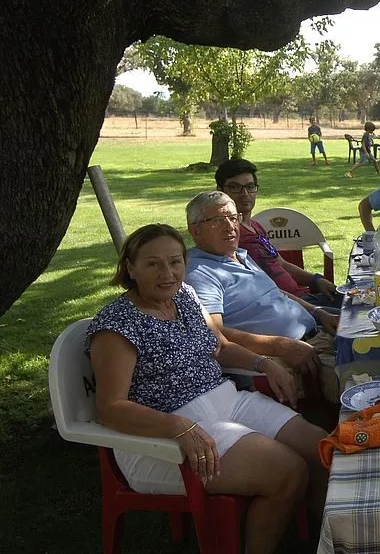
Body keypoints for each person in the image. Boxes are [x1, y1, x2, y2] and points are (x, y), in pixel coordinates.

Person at [86, 224, 329, 553]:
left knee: (320, 449)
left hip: (227, 403)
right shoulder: (117, 325)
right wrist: (178, 426)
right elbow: (110, 408)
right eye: (153, 264)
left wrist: (263, 363)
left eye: (175, 262)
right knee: (287, 472)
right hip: (164, 437)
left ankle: (330, 540)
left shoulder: (184, 295)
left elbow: (220, 347)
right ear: (131, 268)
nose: (168, 273)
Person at [183, 191, 339, 379]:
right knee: (364, 373)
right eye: (217, 220)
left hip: (319, 333)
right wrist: (281, 346)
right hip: (296, 358)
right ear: (195, 231)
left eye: (233, 218)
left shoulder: (239, 255)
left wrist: (318, 312)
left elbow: (276, 292)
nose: (230, 227)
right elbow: (214, 335)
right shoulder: (199, 273)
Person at [214, 158, 341, 308]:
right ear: (220, 190)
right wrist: (314, 310)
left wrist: (316, 280)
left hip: (304, 297)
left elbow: (282, 264)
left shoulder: (256, 226)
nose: (245, 194)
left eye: (250, 186)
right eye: (235, 187)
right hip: (287, 307)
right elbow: (258, 289)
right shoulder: (230, 235)